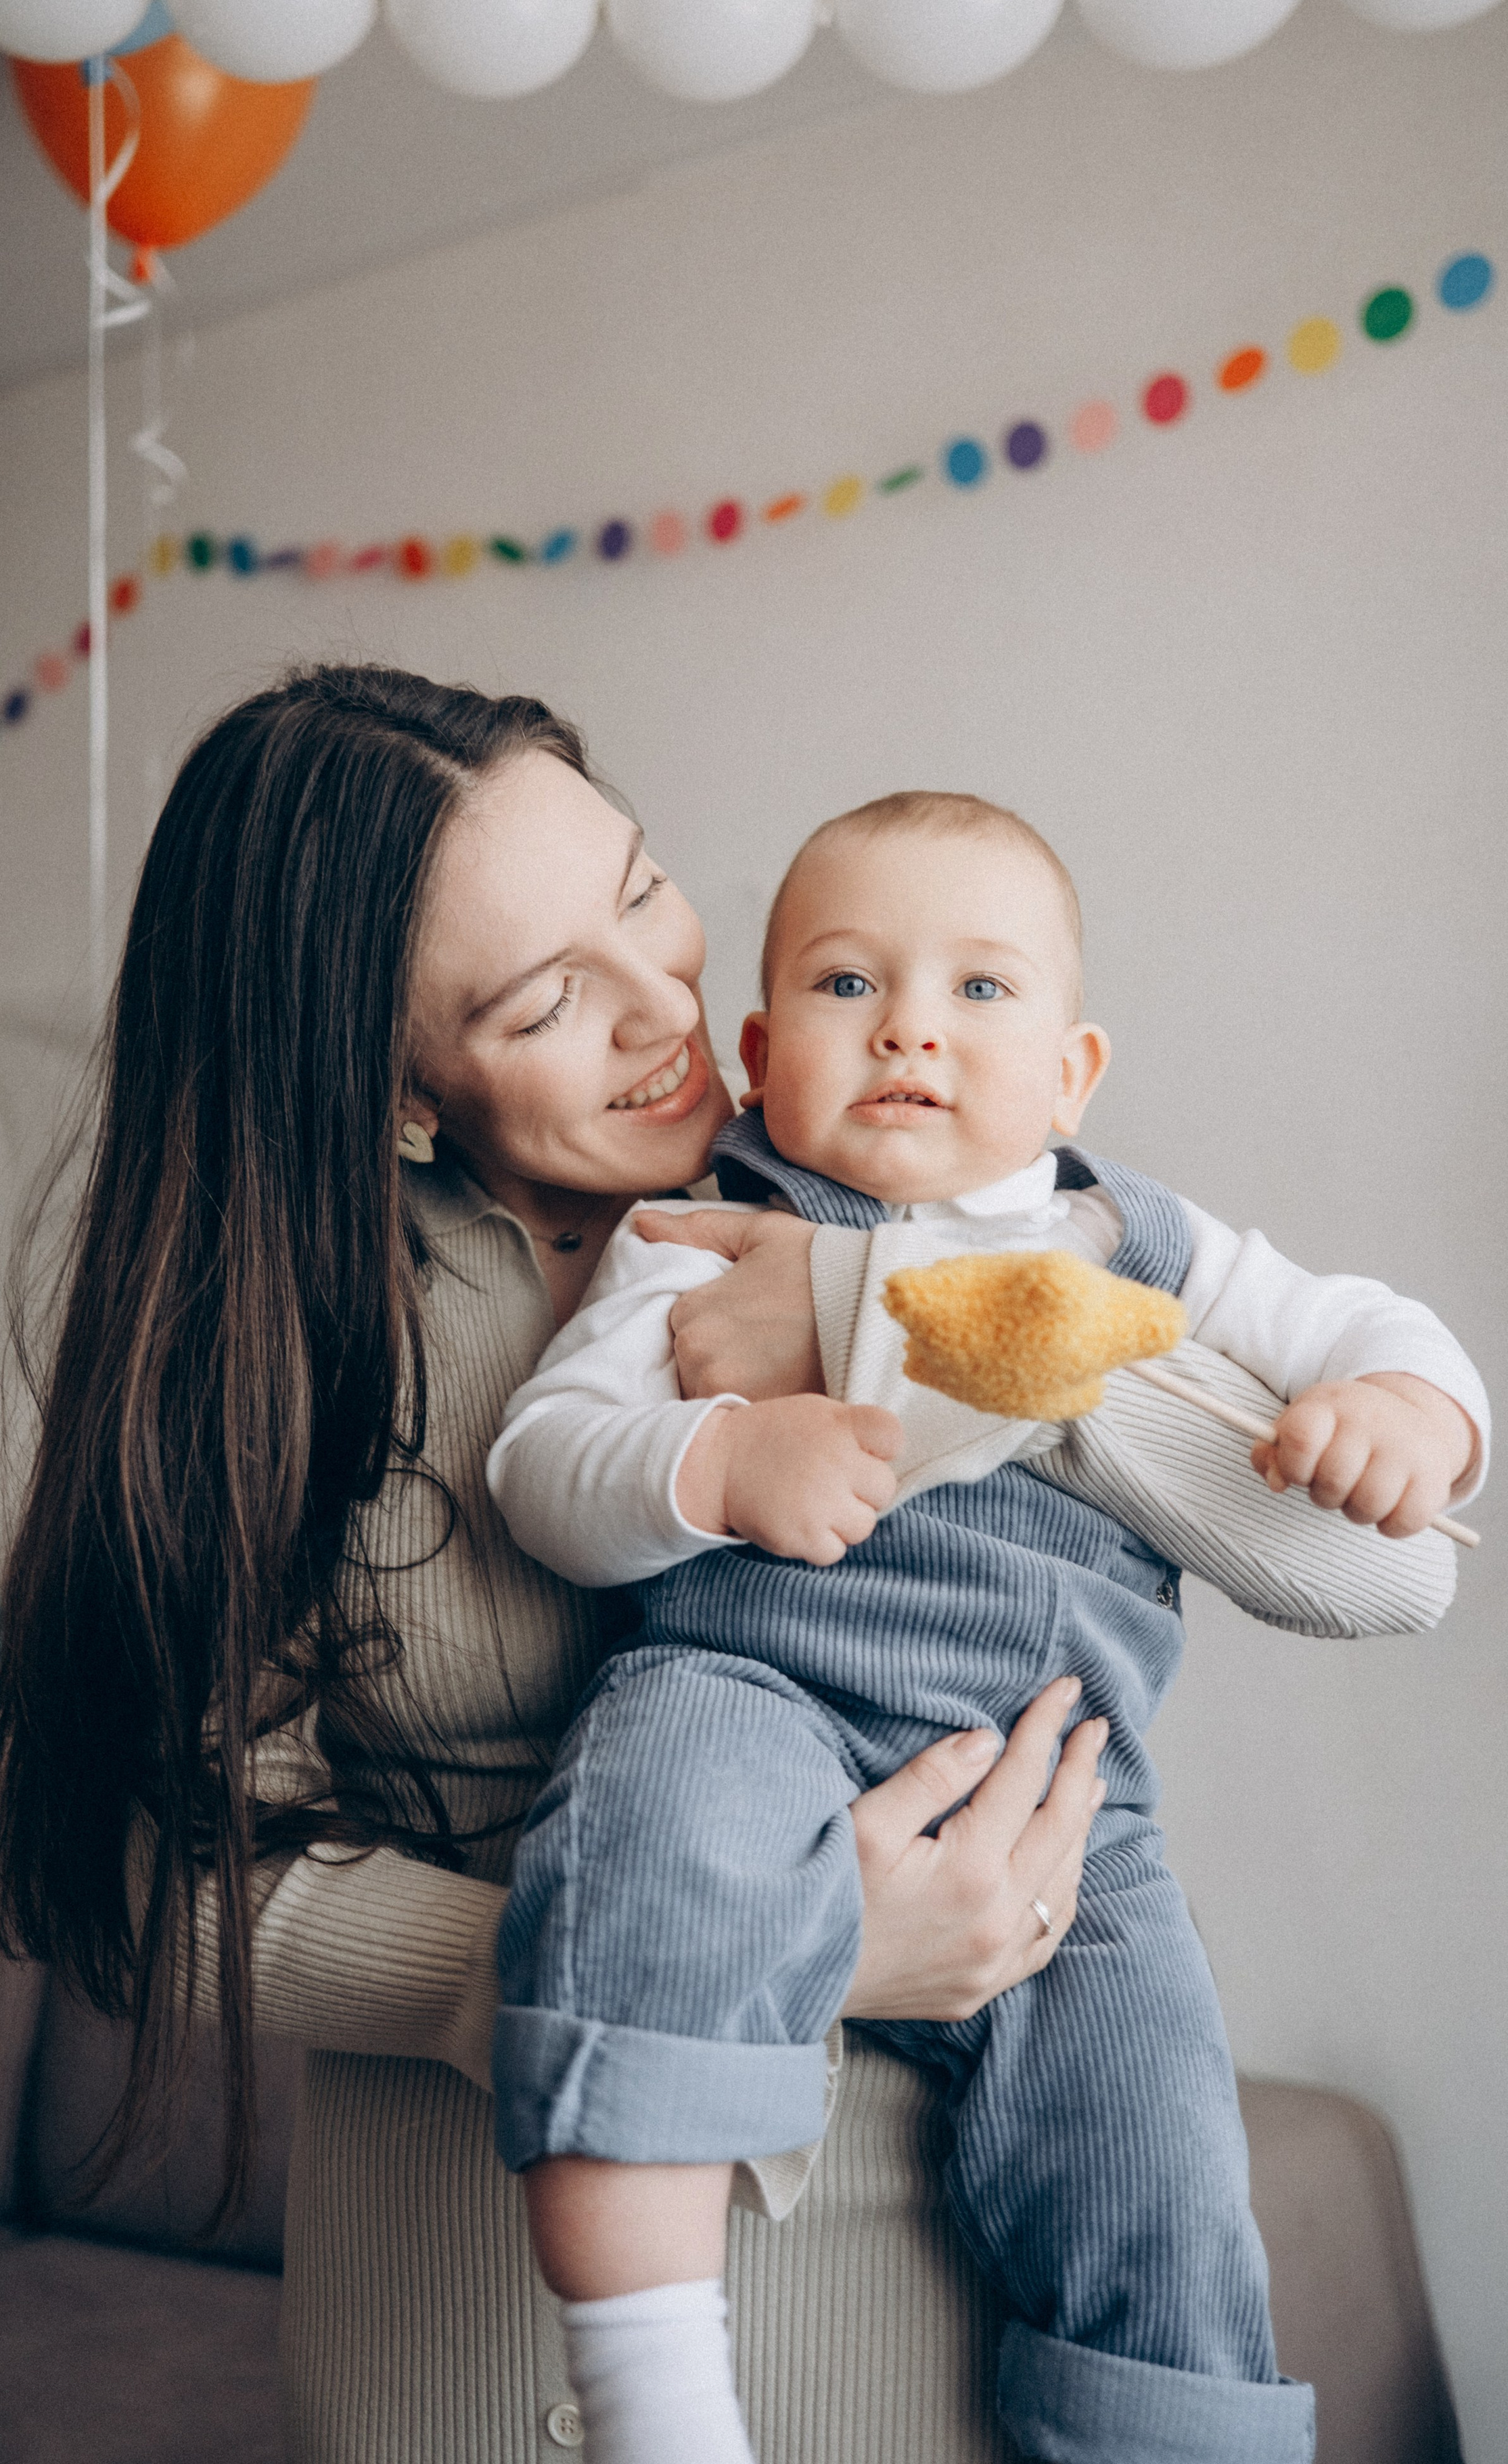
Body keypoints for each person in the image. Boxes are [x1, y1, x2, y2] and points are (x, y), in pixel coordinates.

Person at [0, 672, 1433, 2464]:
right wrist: (767, 1947)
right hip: (479, 2340)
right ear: (398, 1087)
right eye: (547, 1000)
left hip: (909, 2296)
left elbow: (1386, 1577)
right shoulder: (298, 1349)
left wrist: (874, 1311)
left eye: (642, 892)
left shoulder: (944, 1211)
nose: (665, 1010)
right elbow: (145, 1878)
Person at [484, 790, 1487, 2464]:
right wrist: (713, 1461)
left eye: (978, 989)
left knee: (1155, 2145)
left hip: (1064, 1791)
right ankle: (654, 2394)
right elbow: (543, 1467)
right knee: (647, 1851)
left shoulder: (1140, 1241)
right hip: (755, 1692)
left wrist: (1407, 1413)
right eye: (846, 984)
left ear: (1072, 1074)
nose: (909, 1032)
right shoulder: (696, 1238)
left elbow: (1368, 1330)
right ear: (758, 1052)